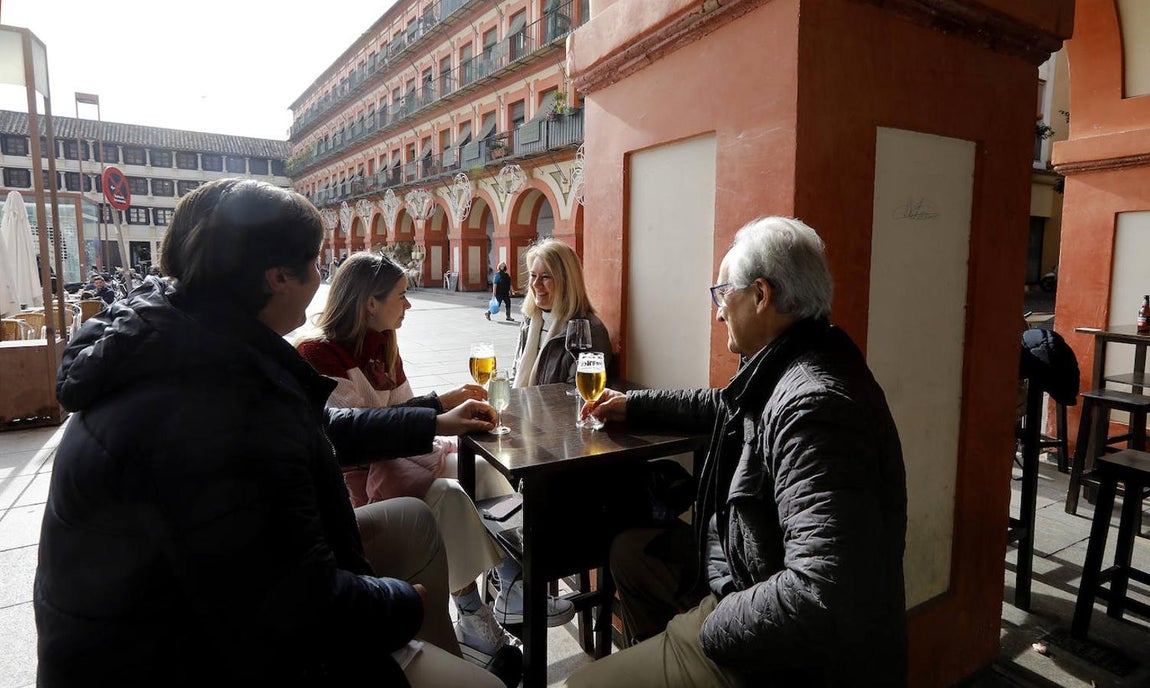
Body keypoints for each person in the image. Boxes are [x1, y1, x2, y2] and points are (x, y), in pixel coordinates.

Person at [35, 178, 505, 687]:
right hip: (179, 659)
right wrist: (399, 604)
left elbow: (325, 428)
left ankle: (441, 653)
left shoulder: (189, 343)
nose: (321, 274)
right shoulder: (221, 403)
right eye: (315, 261)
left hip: (192, 617)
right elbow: (292, 601)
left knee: (413, 520)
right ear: (278, 277)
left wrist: (431, 414)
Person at [568, 216, 908, 687]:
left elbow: (820, 593)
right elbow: (722, 405)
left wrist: (710, 626)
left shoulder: (813, 408)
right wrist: (632, 405)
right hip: (740, 567)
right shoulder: (792, 362)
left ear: (761, 296)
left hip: (790, 655)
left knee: (584, 685)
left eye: (722, 294)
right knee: (631, 553)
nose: (718, 311)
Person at [297, 251, 573, 659]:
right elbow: (357, 439)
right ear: (370, 302)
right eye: (401, 295)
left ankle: (509, 580)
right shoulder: (318, 354)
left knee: (479, 468)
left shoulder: (384, 346)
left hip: (398, 462)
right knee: (448, 496)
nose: (409, 304)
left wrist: (441, 403)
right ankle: (472, 613)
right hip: (354, 485)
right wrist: (440, 413)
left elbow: (401, 414)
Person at [512, 238, 611, 388]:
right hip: (522, 406)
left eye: (545, 277)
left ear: (566, 282)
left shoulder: (589, 331)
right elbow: (516, 373)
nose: (536, 284)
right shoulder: (530, 320)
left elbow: (578, 394)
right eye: (533, 275)